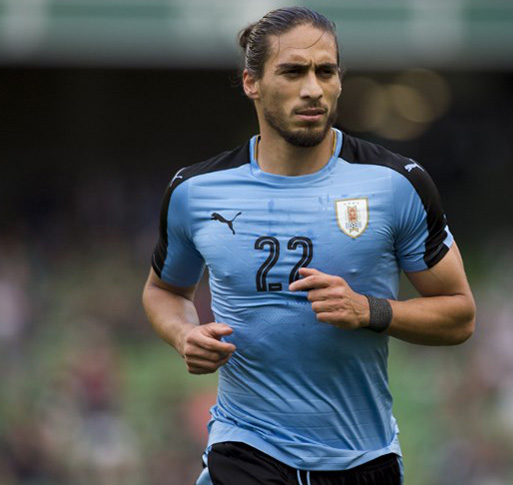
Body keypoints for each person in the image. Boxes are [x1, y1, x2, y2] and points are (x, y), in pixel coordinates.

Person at [142, 6, 475, 485]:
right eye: (294, 71)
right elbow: (163, 291)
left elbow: (460, 314)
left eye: (326, 71)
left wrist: (370, 311)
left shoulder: (395, 184)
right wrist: (182, 335)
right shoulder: (195, 191)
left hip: (363, 459)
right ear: (250, 82)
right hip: (245, 447)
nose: (313, 89)